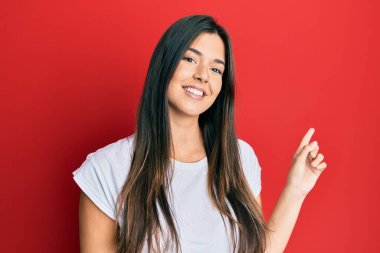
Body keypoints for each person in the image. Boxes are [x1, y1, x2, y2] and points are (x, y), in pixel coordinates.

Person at [72, 15, 327, 253]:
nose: (203, 75)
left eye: (216, 69)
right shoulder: (105, 169)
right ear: (165, 64)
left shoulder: (239, 157)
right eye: (190, 59)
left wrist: (296, 189)